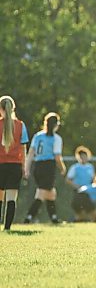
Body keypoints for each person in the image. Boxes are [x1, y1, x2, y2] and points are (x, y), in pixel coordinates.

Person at [24, 112, 66, 224]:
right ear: (56, 125)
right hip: (48, 167)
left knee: (51, 193)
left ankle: (54, 218)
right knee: (42, 194)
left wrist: (27, 168)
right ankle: (28, 217)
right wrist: (62, 168)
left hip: (37, 166)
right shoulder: (56, 138)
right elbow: (57, 156)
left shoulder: (38, 136)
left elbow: (30, 153)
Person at [0, 96, 29, 230]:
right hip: (14, 165)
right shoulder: (20, 125)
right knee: (11, 199)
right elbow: (23, 149)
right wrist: (24, 167)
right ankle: (7, 228)